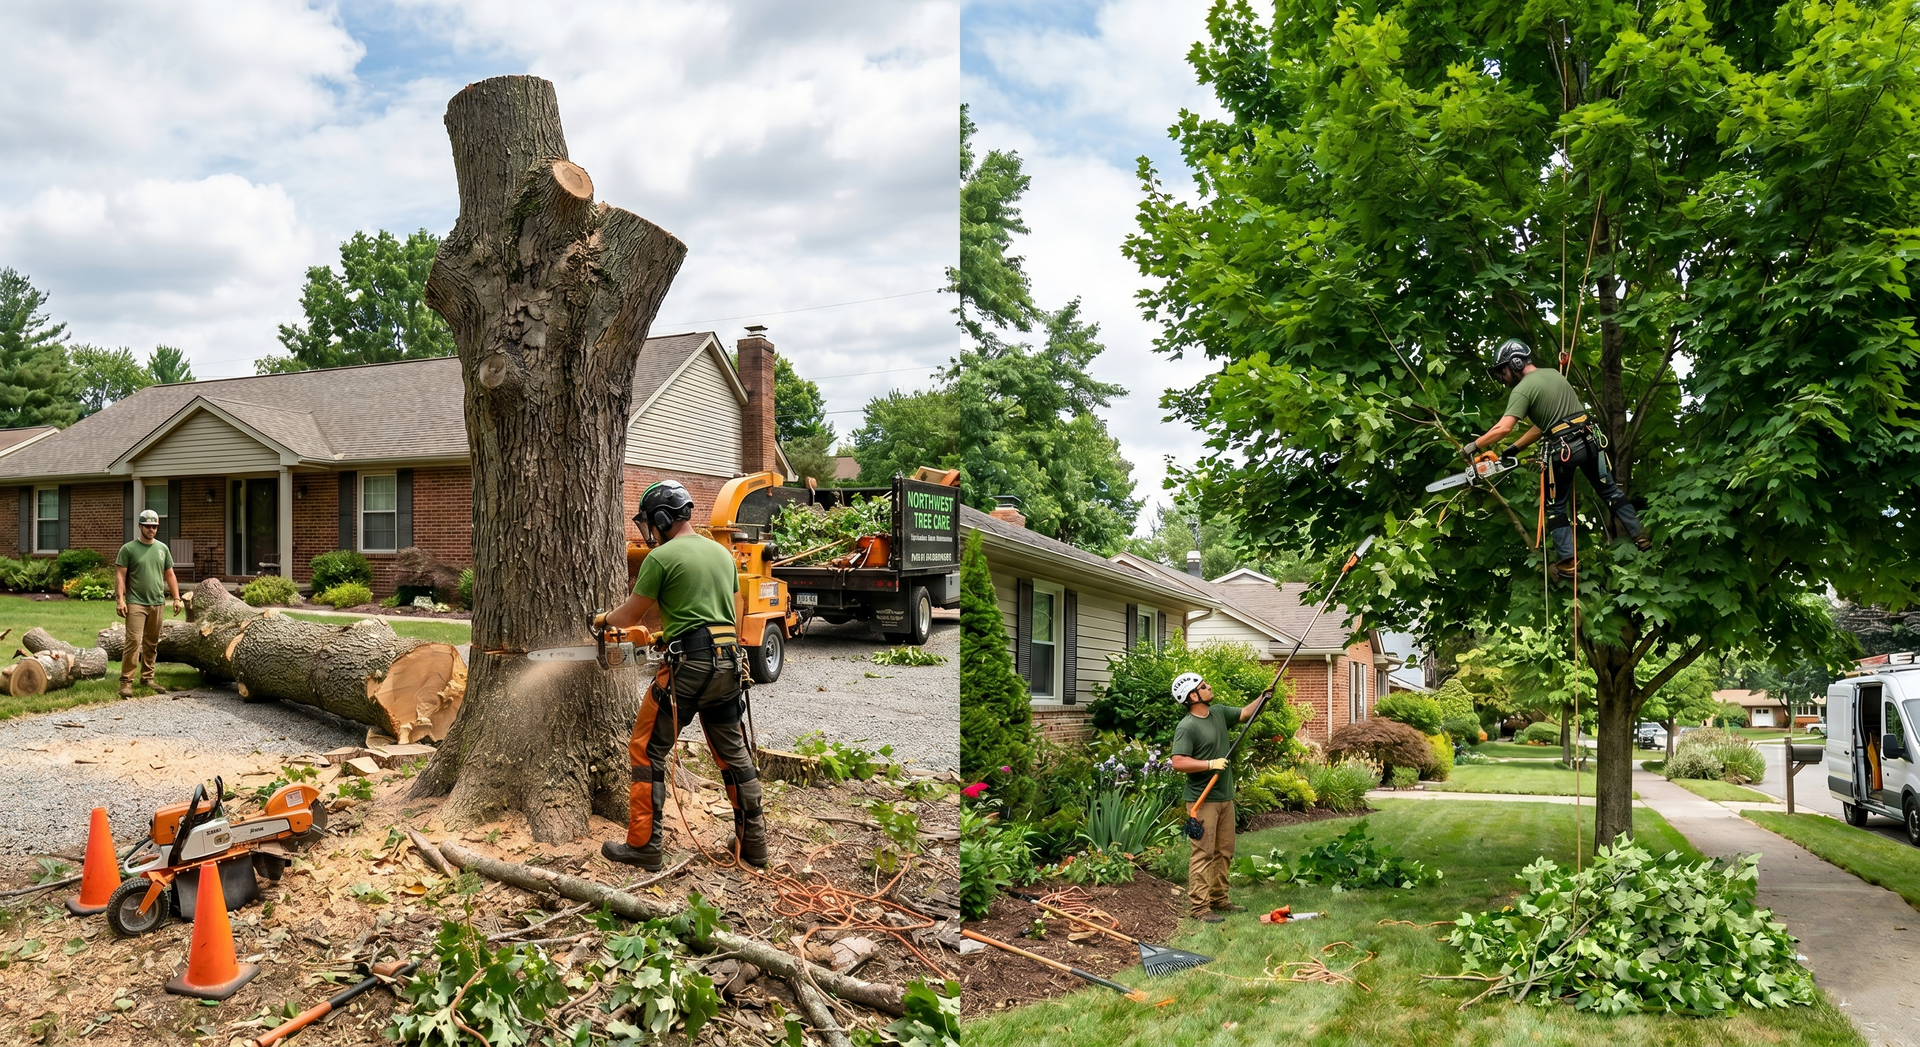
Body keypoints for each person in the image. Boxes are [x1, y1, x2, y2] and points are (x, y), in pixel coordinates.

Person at [599, 481, 764, 871]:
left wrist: (602, 619)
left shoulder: (661, 557)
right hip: (729, 663)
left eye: (650, 523)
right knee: (734, 755)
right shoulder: (722, 554)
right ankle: (754, 845)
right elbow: (722, 613)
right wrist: (671, 636)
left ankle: (644, 845)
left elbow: (627, 618)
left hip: (689, 668)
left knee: (646, 750)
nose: (649, 532)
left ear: (660, 518)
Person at [1463, 339, 1650, 581]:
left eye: (1503, 370)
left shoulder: (1522, 389)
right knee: (1611, 491)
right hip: (1590, 440)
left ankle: (1568, 563)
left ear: (1515, 362)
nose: (1501, 376)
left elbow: (1503, 428)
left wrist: (1474, 445)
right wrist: (1514, 449)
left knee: (1556, 507)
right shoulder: (1553, 374)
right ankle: (1641, 537)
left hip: (1564, 450)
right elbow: (1545, 425)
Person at [1168, 672, 1264, 922]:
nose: (1209, 686)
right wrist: (1210, 764)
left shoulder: (1219, 713)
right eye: (1203, 686)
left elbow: (1245, 714)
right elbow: (1178, 762)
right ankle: (1200, 908)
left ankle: (1219, 899)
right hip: (1202, 801)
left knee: (1225, 850)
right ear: (1193, 696)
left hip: (1224, 797)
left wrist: (1263, 697)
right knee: (1203, 853)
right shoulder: (1187, 726)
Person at [114, 509, 183, 698]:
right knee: (133, 642)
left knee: (151, 643)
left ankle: (147, 678)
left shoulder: (162, 549)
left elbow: (170, 574)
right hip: (136, 602)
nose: (151, 529)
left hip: (158, 602)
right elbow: (121, 575)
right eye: (148, 526)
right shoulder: (128, 549)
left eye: (154, 526)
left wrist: (177, 598)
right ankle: (126, 682)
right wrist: (120, 600)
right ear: (140, 526)